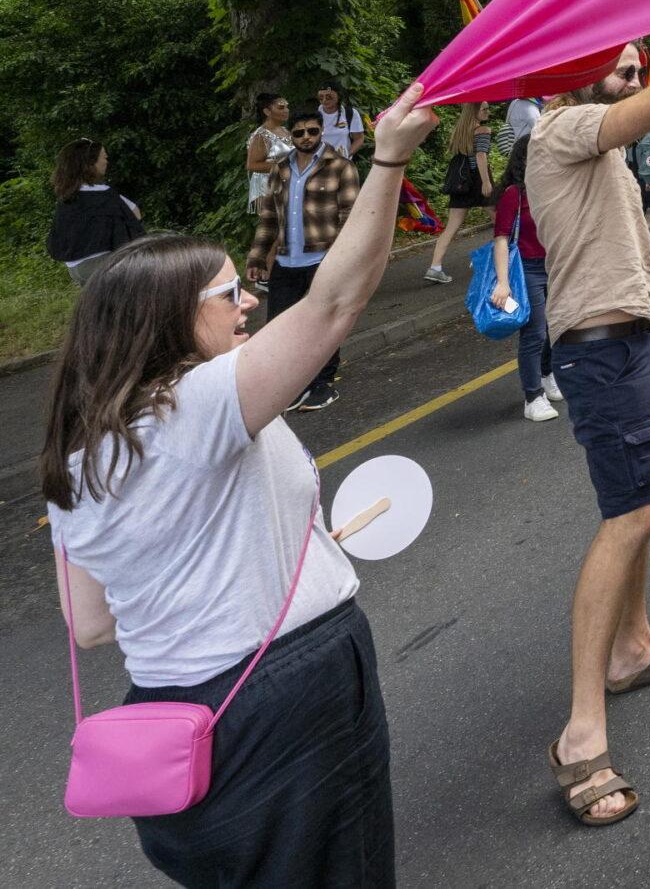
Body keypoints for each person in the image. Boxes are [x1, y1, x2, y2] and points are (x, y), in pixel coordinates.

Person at [43, 84, 435, 886]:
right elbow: (331, 306)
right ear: (167, 321)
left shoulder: (77, 455)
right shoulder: (198, 403)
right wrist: (389, 155)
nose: (249, 300)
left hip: (172, 722)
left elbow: (89, 624)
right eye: (228, 295)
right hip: (283, 706)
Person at [524, 18, 650, 828]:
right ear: (573, 75)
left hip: (632, 335)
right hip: (601, 357)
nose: (624, 68)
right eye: (610, 62)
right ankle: (581, 733)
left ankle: (634, 648)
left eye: (626, 61)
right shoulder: (562, 127)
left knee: (647, 497)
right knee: (629, 512)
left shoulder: (595, 147)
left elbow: (599, 241)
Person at [245, 107, 363, 414]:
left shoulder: (340, 166)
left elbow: (351, 219)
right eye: (299, 133)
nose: (306, 137)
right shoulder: (280, 168)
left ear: (320, 131)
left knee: (323, 325)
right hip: (287, 260)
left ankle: (322, 384)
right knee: (280, 326)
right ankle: (293, 384)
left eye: (312, 131)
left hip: (324, 259)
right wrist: (259, 256)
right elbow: (269, 217)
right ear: (292, 136)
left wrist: (345, 262)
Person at [486, 136, 565, 419]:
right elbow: (501, 240)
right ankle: (532, 398)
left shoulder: (552, 188)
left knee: (555, 329)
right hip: (527, 270)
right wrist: (503, 282)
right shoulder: (513, 194)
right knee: (534, 334)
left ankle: (547, 375)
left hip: (555, 267)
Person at [49, 138, 142, 284]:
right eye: (104, 157)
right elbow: (136, 214)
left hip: (74, 267)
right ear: (91, 163)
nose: (106, 161)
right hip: (99, 265)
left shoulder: (67, 196)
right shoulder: (104, 193)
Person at [422, 99, 492, 286]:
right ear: (475, 111)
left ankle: (435, 267)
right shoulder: (483, 130)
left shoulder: (459, 132)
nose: (488, 112)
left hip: (461, 183)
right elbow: (480, 156)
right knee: (501, 222)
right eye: (484, 109)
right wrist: (486, 182)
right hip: (478, 179)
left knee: (451, 228)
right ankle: (497, 260)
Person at [244, 94, 290, 217]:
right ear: (267, 111)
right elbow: (251, 165)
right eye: (281, 107)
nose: (286, 110)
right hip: (267, 188)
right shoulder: (261, 135)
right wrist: (284, 167)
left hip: (285, 185)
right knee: (273, 228)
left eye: (287, 106)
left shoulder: (285, 131)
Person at [313, 84, 366, 160]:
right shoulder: (313, 114)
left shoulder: (350, 113)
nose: (324, 100)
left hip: (342, 163)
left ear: (338, 96)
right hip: (317, 162)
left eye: (328, 97)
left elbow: (359, 138)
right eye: (321, 98)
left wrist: (346, 155)